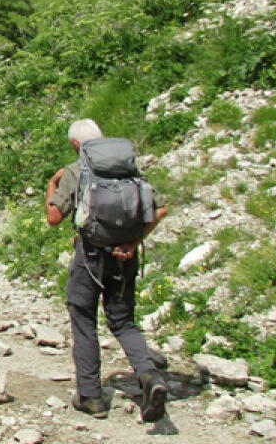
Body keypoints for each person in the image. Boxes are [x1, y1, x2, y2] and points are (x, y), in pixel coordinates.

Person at [46, 119, 169, 423]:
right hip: (125, 257)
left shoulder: (76, 171)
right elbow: (160, 209)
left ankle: (91, 396)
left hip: (90, 257)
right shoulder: (128, 169)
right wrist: (133, 242)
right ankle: (149, 376)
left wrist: (52, 185)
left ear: (76, 145)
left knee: (84, 318)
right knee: (123, 321)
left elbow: (54, 217)